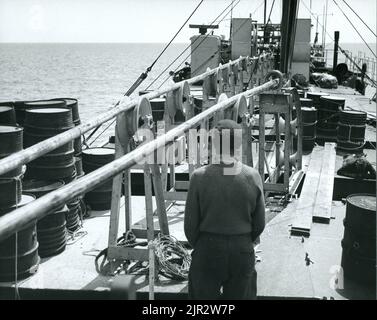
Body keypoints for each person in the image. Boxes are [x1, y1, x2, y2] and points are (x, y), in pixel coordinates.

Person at [184, 119, 265, 300]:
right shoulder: (253, 176)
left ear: (213, 146)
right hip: (242, 251)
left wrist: (206, 246)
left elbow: (190, 227)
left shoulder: (199, 177)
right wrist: (242, 242)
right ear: (238, 145)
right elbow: (259, 224)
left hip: (208, 251)